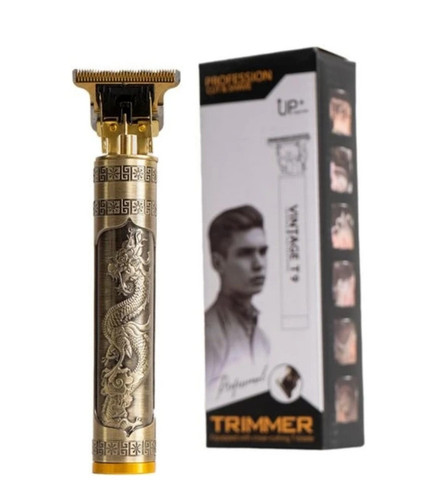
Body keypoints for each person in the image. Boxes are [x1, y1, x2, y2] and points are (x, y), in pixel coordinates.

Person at [205, 205, 270, 385]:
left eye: (262, 252)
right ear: (218, 263)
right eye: (245, 253)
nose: (259, 264)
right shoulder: (209, 336)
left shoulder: (262, 340)